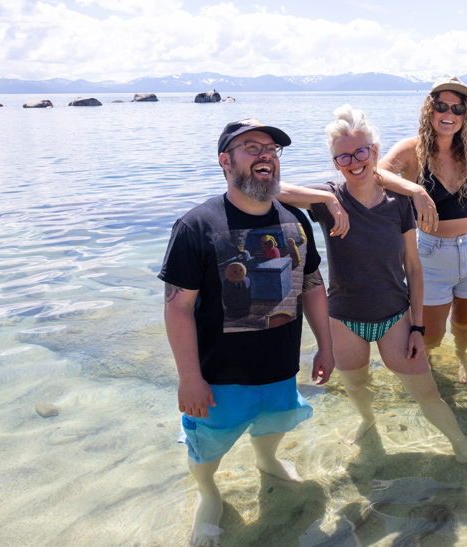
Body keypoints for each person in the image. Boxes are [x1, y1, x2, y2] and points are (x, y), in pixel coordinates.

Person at [279, 105, 467, 469]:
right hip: (344, 318)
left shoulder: (398, 202)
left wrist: (417, 326)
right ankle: (367, 420)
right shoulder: (328, 198)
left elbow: (413, 268)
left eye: (361, 151)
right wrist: (327, 199)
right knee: (357, 385)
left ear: (375, 153)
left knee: (428, 395)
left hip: (395, 316)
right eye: (344, 156)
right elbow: (270, 189)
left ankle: (465, 449)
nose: (354, 161)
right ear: (336, 162)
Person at [159, 118, 340, 547]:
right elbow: (178, 308)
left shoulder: (295, 219)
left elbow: (313, 286)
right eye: (252, 147)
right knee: (207, 451)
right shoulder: (196, 226)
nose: (266, 155)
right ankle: (208, 494)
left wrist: (325, 347)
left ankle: (267, 460)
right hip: (219, 380)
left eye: (273, 149)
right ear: (225, 160)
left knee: (275, 423)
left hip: (279, 368)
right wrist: (190, 379)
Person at [379, 76, 467, 384]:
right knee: (431, 335)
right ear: (429, 109)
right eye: (442, 106)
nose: (450, 113)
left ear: (465, 114)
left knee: (464, 324)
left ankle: (462, 355)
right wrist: (415, 191)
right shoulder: (412, 150)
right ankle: (429, 366)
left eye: (458, 108)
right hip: (432, 256)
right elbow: (376, 174)